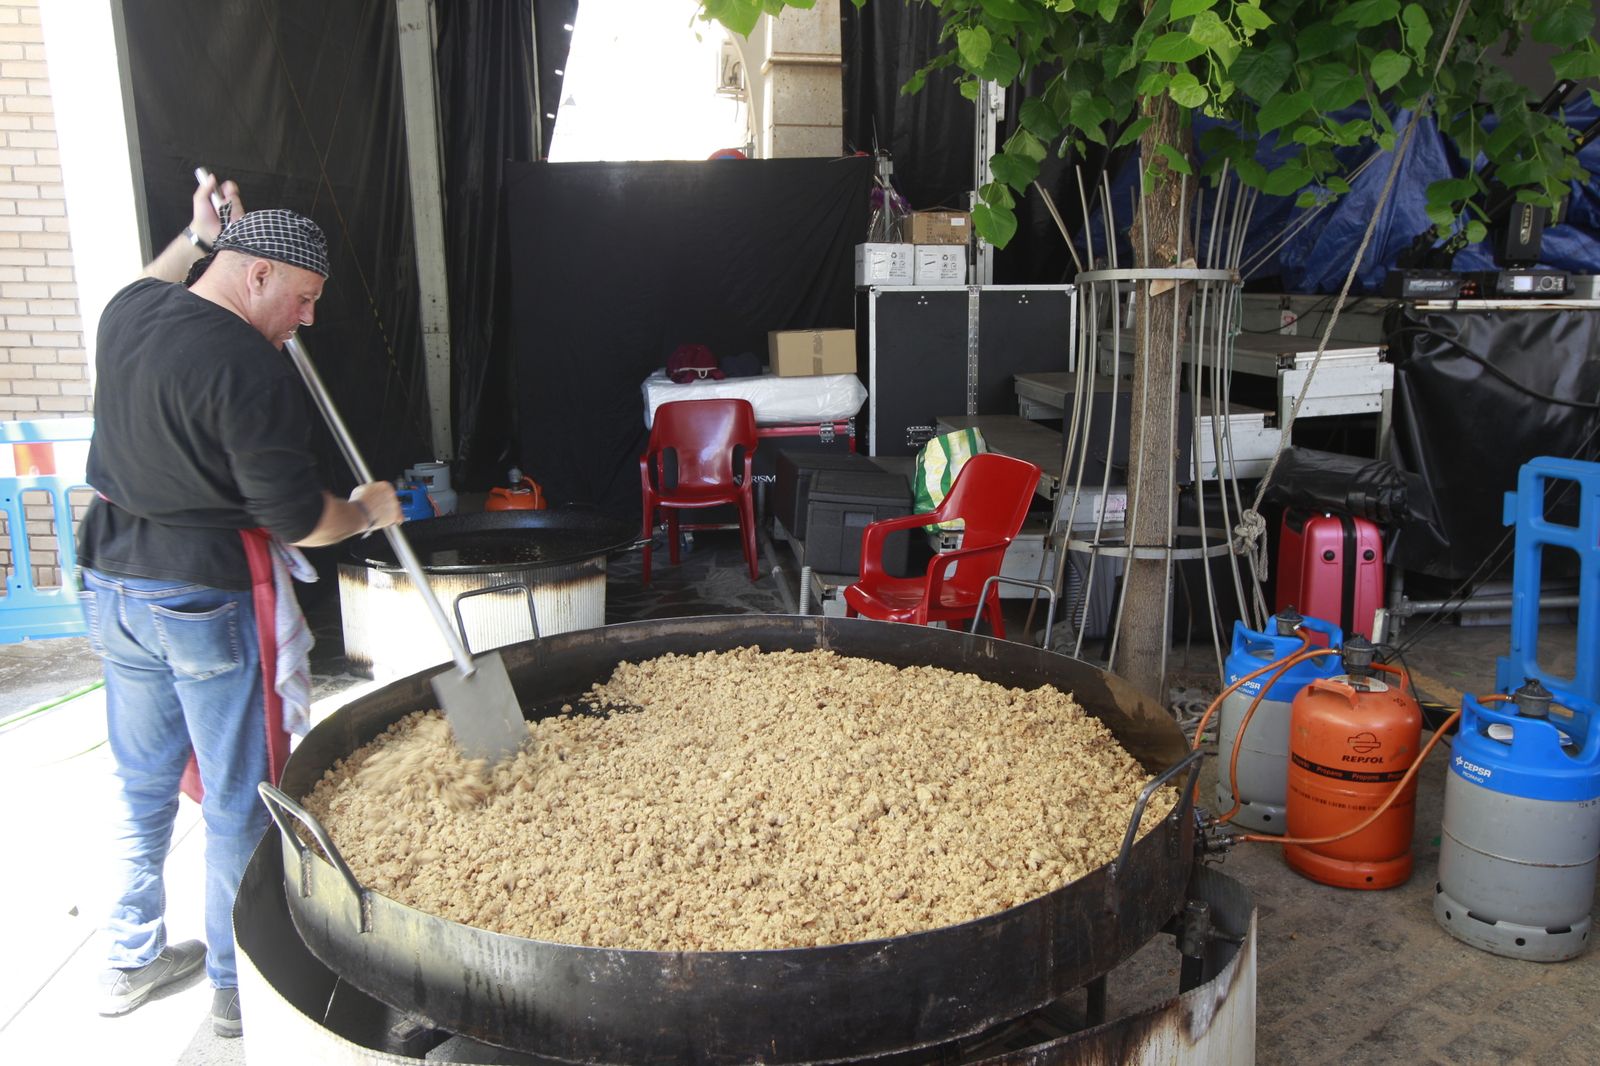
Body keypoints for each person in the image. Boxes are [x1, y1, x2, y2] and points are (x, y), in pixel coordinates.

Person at [78, 173, 401, 1038]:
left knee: (141, 785)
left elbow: (160, 275)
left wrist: (196, 236)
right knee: (237, 797)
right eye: (303, 297)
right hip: (200, 600)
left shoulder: (129, 311)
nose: (308, 319)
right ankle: (235, 983)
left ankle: (127, 959)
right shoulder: (249, 368)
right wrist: (365, 511)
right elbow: (297, 519)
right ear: (257, 274)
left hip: (112, 583)